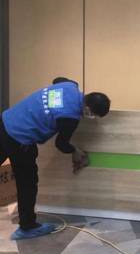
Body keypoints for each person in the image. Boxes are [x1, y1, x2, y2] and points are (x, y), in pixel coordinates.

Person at [0, 77, 110, 240]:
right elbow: (61, 144)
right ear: (88, 108)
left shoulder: (70, 86)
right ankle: (27, 227)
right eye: (93, 115)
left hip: (5, 121)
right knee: (28, 182)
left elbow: (56, 79)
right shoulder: (70, 117)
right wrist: (75, 150)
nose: (92, 117)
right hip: (20, 138)